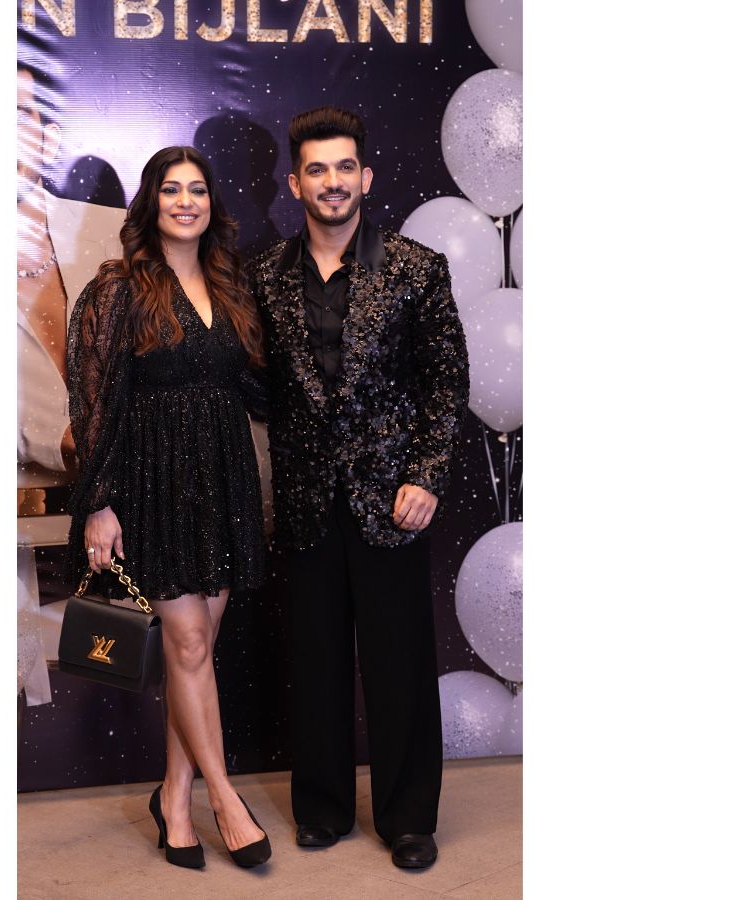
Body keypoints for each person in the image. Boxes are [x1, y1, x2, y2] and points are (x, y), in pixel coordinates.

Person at [249, 106, 470, 870]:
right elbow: (259, 388)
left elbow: (446, 383)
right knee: (314, 662)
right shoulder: (264, 276)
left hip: (392, 502)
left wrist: (425, 475)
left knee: (399, 664)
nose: (333, 181)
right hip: (305, 500)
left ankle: (408, 818)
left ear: (366, 176)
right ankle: (322, 808)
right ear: (295, 183)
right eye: (317, 169)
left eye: (345, 167)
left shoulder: (415, 268)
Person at [66, 146, 272, 869]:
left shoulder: (231, 283)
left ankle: (174, 799)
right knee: (186, 646)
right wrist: (99, 504)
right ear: (151, 202)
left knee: (197, 652)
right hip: (153, 485)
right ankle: (226, 799)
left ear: (213, 203)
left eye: (198, 189)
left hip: (222, 482)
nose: (186, 201)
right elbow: (92, 405)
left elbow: (256, 388)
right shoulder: (117, 289)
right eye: (172, 189)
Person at [16, 60, 125, 706]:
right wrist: (58, 438)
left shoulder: (111, 230)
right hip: (24, 512)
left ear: (47, 133)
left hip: (135, 501)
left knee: (177, 658)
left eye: (17, 115)